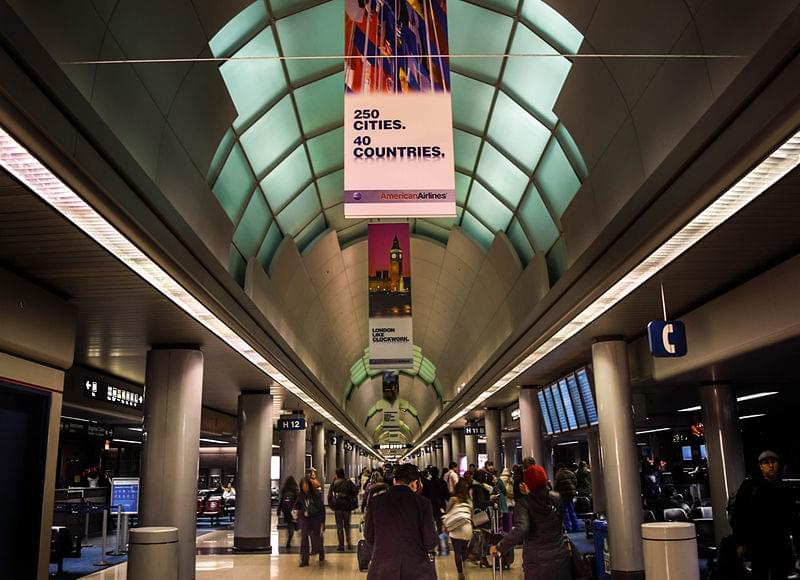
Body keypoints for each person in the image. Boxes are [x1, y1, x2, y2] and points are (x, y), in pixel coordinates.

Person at [489, 465, 571, 579]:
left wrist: (500, 547)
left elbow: (521, 529)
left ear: (527, 484)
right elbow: (557, 521)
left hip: (537, 563)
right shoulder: (556, 498)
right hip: (561, 558)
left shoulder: (524, 504)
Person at [731, 450, 800, 580]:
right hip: (758, 543)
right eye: (766, 463)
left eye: (773, 462)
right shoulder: (750, 486)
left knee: (779, 574)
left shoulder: (785, 488)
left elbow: (794, 519)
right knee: (759, 574)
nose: (770, 465)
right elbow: (739, 515)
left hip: (780, 543)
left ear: (778, 465)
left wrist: (796, 545)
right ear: (761, 466)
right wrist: (739, 541)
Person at [364, 463, 438, 579]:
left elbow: (369, 537)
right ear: (415, 483)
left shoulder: (375, 502)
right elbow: (430, 542)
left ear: (394, 481)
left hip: (382, 569)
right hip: (416, 570)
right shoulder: (423, 503)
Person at [443, 479, 473, 580]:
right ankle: (465, 561)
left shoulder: (453, 499)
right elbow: (471, 516)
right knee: (464, 549)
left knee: (457, 552)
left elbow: (447, 513)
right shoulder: (469, 501)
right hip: (467, 528)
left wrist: (446, 527)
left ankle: (460, 573)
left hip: (455, 528)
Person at [294, 476, 325, 567]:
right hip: (305, 519)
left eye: (306, 485)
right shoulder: (300, 496)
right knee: (304, 538)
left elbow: (321, 508)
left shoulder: (315, 494)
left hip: (315, 518)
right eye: (303, 485)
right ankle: (304, 559)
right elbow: (296, 506)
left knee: (316, 537)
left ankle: (320, 551)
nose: (305, 487)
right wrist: (296, 512)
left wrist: (323, 522)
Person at [328, 468, 358, 551]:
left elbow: (330, 495)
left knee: (339, 526)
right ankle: (348, 542)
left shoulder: (334, 483)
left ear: (337, 474)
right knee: (347, 525)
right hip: (347, 506)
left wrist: (331, 505)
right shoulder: (348, 482)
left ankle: (341, 545)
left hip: (338, 507)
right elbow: (355, 491)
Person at [554, 463, 580, 533]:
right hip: (571, 494)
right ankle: (576, 526)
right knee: (572, 510)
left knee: (565, 512)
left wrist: (557, 493)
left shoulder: (558, 474)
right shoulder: (571, 473)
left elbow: (556, 486)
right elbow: (575, 482)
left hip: (563, 495)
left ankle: (568, 527)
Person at [422, 466, 449, 531]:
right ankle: (441, 532)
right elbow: (446, 495)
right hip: (441, 504)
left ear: (431, 473)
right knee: (441, 520)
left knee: (434, 520)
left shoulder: (428, 484)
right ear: (438, 473)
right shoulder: (443, 482)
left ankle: (436, 532)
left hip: (432, 504)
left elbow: (426, 495)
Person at [278, 476, 299, 548]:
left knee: (289, 525)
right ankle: (291, 536)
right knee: (293, 524)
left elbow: (281, 501)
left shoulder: (284, 490)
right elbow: (297, 501)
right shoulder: (295, 490)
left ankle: (289, 540)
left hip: (286, 511)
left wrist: (279, 510)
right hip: (293, 510)